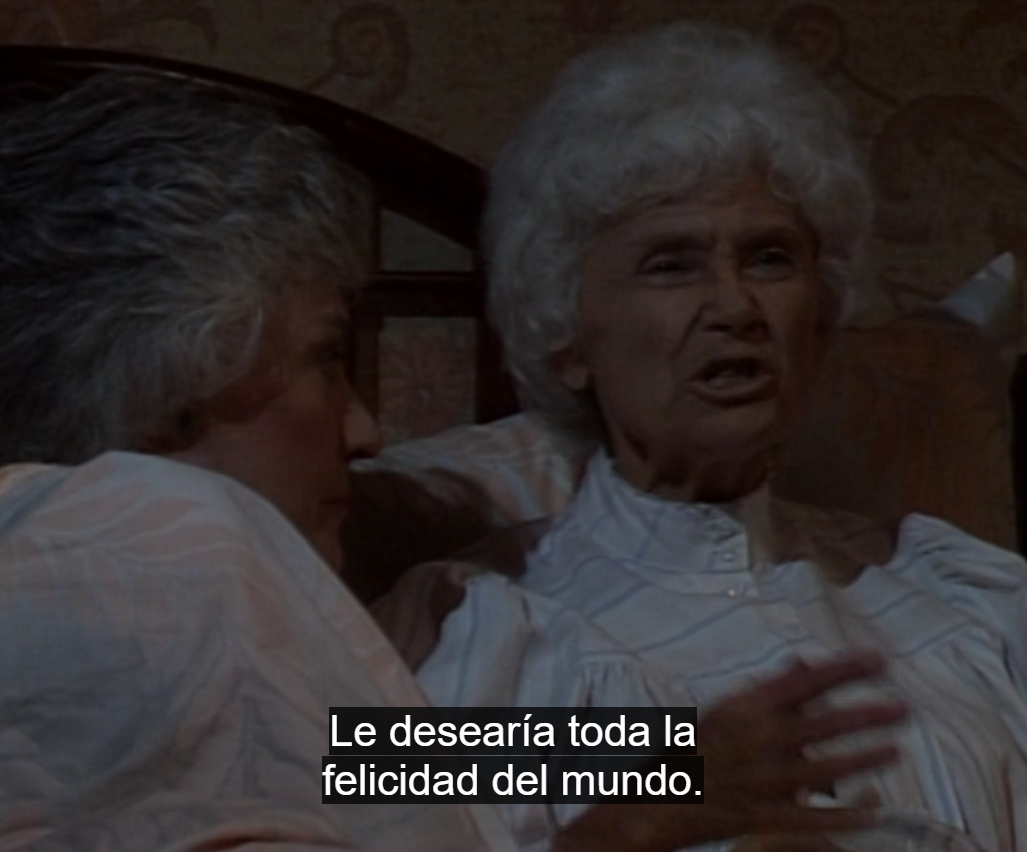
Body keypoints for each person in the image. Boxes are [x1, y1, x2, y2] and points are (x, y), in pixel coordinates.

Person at [0, 70, 906, 851]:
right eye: (326, 357)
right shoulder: (138, 541)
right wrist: (627, 824)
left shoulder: (151, 583)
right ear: (174, 388)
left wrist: (661, 761)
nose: (365, 432)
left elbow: (368, 761)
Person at [412, 21, 1027, 852]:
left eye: (769, 258)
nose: (735, 306)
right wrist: (647, 795)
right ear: (567, 336)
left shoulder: (959, 592)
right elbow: (344, 783)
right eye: (671, 264)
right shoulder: (491, 625)